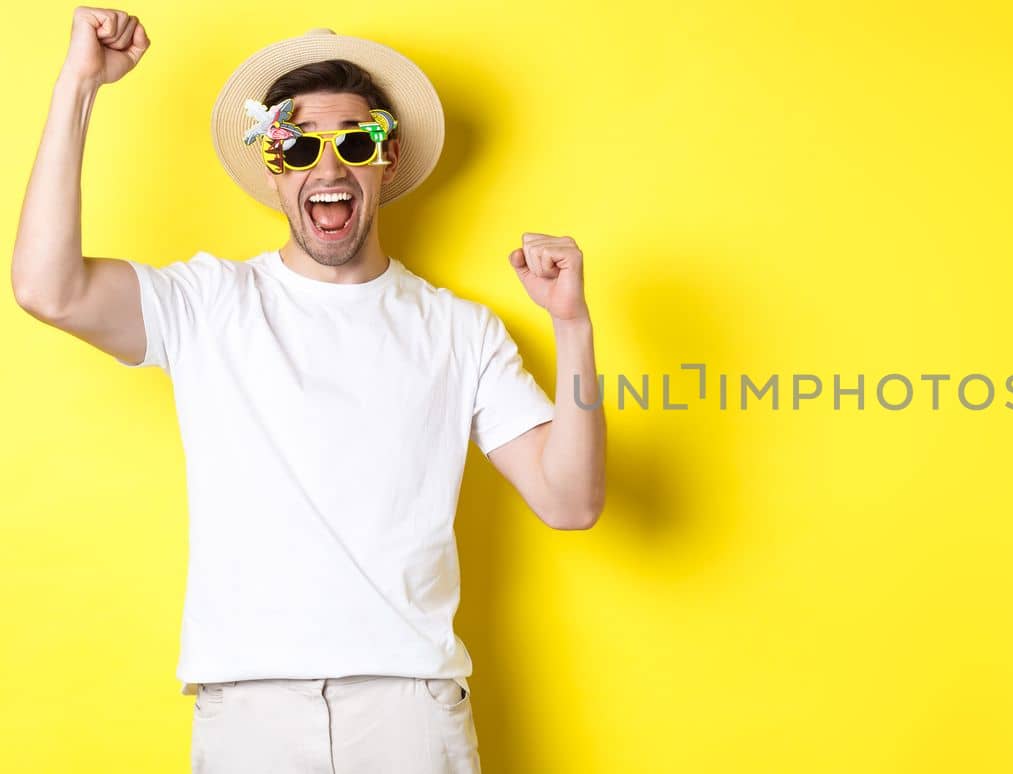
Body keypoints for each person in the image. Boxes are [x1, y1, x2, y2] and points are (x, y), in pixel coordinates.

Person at [10, 8, 608, 773]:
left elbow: (571, 502)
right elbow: (45, 289)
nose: (329, 170)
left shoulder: (461, 331)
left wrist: (572, 326)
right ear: (272, 167)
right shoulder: (207, 304)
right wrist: (79, 86)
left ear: (385, 161)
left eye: (354, 143)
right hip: (246, 710)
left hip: (411, 709)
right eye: (298, 147)